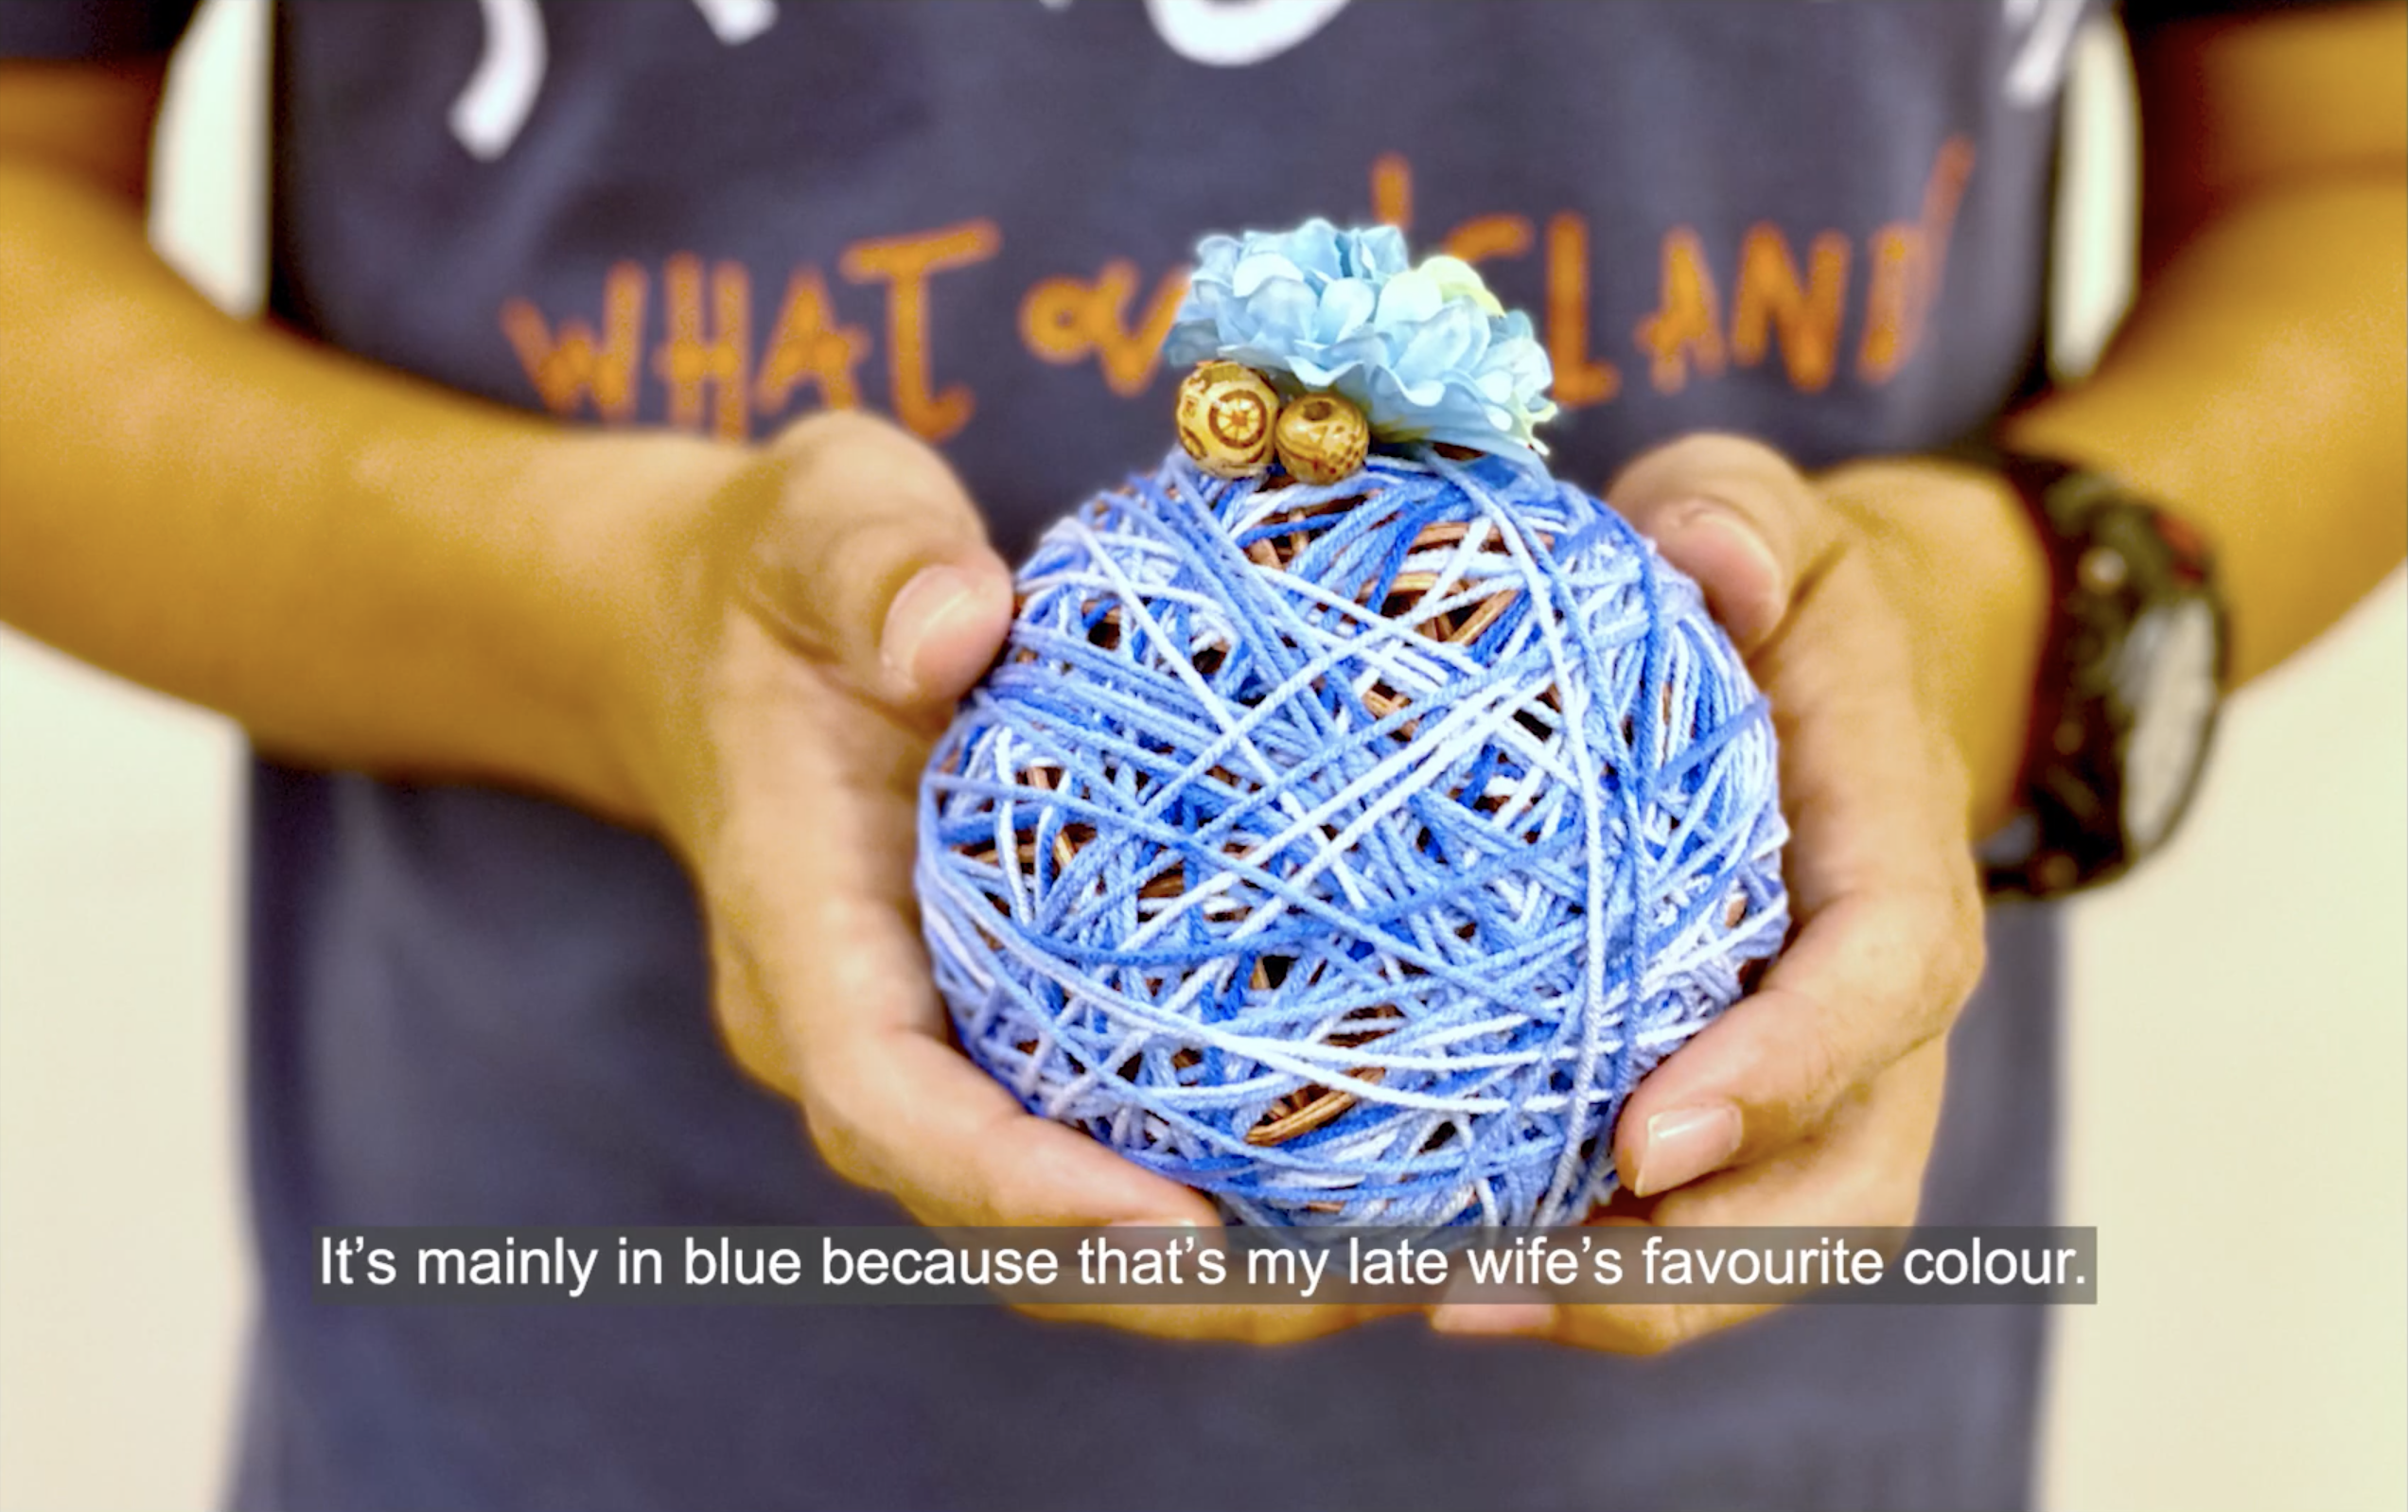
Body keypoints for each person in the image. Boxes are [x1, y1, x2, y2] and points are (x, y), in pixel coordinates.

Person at [2, 2, 2399, 1508]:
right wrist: (605, 614)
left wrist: (1981, 625)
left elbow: (2354, 172)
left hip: (1769, 1433)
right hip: (574, 1388)